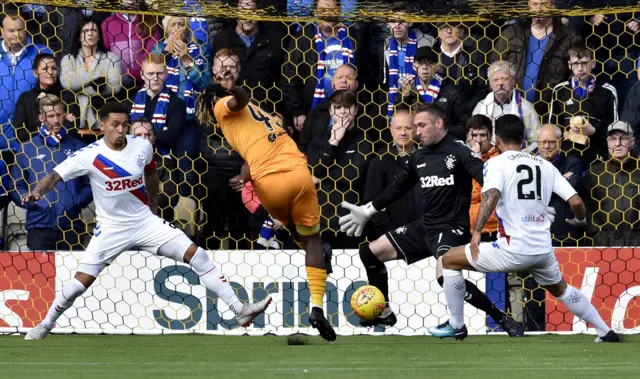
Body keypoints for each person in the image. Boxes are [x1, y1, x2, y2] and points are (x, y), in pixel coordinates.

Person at [24, 102, 270, 340]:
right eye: (115, 125)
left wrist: (153, 204)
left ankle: (240, 310)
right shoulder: (89, 155)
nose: (121, 130)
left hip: (145, 223)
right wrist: (37, 192)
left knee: (198, 255)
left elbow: (151, 171)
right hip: (111, 229)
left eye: (124, 124)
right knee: (80, 284)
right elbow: (55, 175)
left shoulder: (141, 146)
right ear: (102, 125)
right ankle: (45, 324)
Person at [427, 114, 621, 343]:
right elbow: (576, 201)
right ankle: (605, 331)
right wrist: (579, 221)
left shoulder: (495, 163)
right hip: (542, 250)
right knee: (562, 290)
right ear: (523, 138)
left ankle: (456, 325)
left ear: (497, 139)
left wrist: (477, 231)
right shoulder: (544, 165)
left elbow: (491, 195)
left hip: (512, 249)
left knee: (448, 260)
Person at [338, 103, 523, 336]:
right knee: (369, 253)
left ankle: (500, 318)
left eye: (422, 125)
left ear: (439, 124)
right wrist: (368, 210)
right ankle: (384, 312)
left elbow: (488, 181)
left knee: (445, 277)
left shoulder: (459, 151)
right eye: (416, 127)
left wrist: (521, 204)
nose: (417, 132)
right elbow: (397, 188)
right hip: (425, 226)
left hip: (451, 228)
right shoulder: (419, 155)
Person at [195, 71, 337, 342]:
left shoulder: (223, 106)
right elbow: (257, 141)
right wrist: (243, 175)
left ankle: (310, 251)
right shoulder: (259, 113)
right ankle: (317, 306)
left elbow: (239, 99)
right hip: (299, 173)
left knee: (295, 230)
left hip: (271, 184)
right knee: (313, 239)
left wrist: (233, 89)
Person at [11, 95, 92, 251]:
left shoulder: (79, 147)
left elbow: (89, 184)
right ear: (41, 117)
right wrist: (33, 202)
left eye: (59, 115)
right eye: (51, 116)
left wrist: (76, 201)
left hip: (71, 225)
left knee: (71, 274)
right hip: (39, 225)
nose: (56, 121)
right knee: (38, 275)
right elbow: (16, 186)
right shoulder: (26, 149)